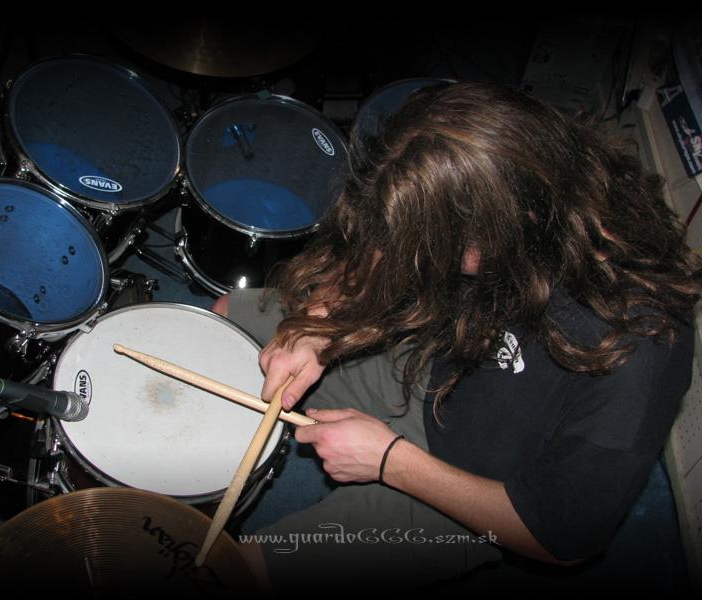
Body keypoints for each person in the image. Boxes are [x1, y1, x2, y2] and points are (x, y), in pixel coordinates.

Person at [212, 82, 702, 593]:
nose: (416, 258)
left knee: (243, 572)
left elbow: (559, 540)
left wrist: (389, 461)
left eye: (434, 245)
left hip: (477, 483)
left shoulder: (642, 352)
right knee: (224, 320)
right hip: (433, 351)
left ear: (508, 221)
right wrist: (320, 322)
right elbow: (389, 245)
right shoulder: (519, 181)